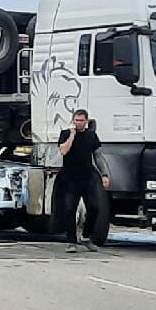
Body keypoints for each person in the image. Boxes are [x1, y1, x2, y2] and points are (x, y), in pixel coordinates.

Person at [57, 108, 110, 253]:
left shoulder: (91, 136)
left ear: (86, 121)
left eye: (81, 121)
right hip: (70, 178)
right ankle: (71, 242)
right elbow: (63, 150)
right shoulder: (66, 134)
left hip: (88, 178)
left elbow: (98, 156)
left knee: (94, 208)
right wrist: (72, 136)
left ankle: (86, 236)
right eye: (76, 120)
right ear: (73, 121)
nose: (78, 123)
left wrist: (104, 174)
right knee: (69, 209)